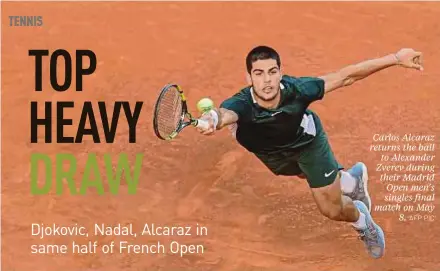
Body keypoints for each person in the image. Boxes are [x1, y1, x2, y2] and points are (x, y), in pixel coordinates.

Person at [196, 45, 423, 259]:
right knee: (303, 173)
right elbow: (223, 114)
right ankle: (351, 182)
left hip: (306, 144)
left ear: (280, 73)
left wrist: (395, 59)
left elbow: (346, 76)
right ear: (249, 78)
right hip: (272, 153)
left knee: (332, 209)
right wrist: (211, 119)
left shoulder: (299, 90)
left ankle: (363, 221)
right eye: (258, 73)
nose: (267, 80)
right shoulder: (241, 103)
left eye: (272, 72)